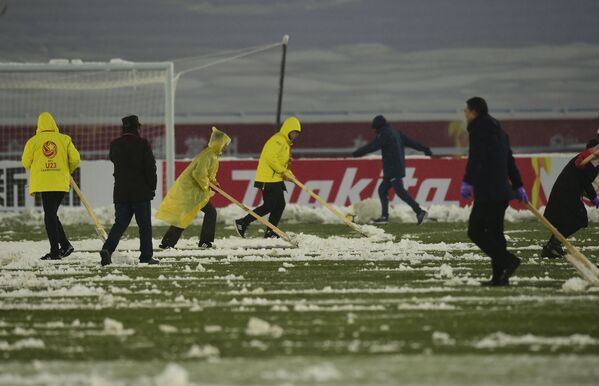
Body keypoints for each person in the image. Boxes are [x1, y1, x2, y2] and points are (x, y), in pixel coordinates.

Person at [460, 97, 528, 286]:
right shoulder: (499, 130)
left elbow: (476, 157)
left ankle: (508, 261)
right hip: (501, 192)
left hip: (488, 191)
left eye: (466, 111)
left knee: (475, 231)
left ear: (474, 111)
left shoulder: (478, 129)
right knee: (496, 234)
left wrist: (467, 180)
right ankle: (499, 278)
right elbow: (509, 160)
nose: (465, 114)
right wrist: (518, 185)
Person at [156, 127, 231, 249]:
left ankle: (168, 243)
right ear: (219, 143)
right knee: (201, 214)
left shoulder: (212, 155)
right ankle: (203, 242)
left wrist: (214, 183)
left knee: (190, 216)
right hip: (192, 191)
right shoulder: (209, 155)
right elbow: (198, 174)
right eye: (225, 144)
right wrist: (207, 185)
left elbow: (207, 174)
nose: (226, 146)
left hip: (196, 191)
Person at [352, 115, 432, 225]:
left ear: (378, 127)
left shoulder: (385, 134)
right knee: (382, 190)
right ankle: (385, 217)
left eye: (374, 129)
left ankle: (419, 211)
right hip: (395, 167)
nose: (374, 131)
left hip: (392, 168)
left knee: (400, 192)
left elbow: (373, 146)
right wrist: (425, 149)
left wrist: (357, 153)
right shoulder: (395, 132)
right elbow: (412, 142)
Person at [100, 115, 158, 266]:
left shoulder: (115, 144)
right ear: (137, 127)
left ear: (124, 128)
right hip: (141, 192)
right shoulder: (143, 144)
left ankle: (107, 249)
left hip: (121, 192)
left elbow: (113, 159)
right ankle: (146, 256)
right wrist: (152, 187)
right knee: (144, 227)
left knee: (119, 224)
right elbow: (151, 168)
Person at [22, 112, 80, 260]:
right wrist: (67, 170)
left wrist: (39, 167)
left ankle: (55, 252)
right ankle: (65, 246)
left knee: (49, 217)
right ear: (54, 124)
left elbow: (25, 162)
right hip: (60, 183)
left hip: (44, 184)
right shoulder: (64, 139)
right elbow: (75, 159)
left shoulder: (33, 141)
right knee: (51, 215)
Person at [234, 117, 301, 238]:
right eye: (294, 132)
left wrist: (289, 173)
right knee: (269, 205)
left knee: (280, 205)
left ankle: (270, 231)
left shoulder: (285, 143)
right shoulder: (279, 140)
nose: (295, 135)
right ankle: (242, 223)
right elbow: (270, 158)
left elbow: (281, 163)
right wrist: (283, 171)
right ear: (288, 129)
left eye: (297, 133)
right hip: (268, 178)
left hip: (275, 179)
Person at [541, 139, 599, 258]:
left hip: (568, 193)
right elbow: (585, 181)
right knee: (578, 220)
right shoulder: (584, 161)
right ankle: (553, 245)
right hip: (566, 193)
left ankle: (552, 246)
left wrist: (593, 197)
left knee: (572, 220)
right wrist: (594, 197)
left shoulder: (592, 162)